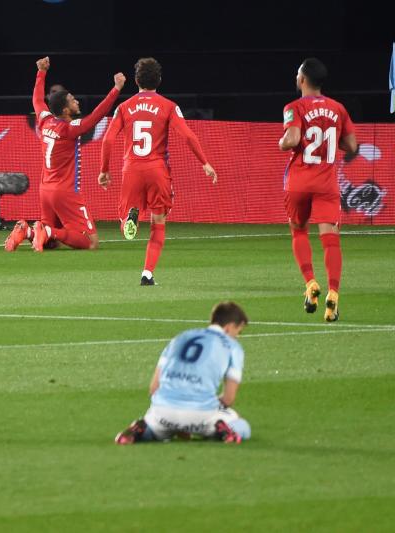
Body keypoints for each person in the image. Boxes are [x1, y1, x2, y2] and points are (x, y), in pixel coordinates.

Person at [99, 57, 217, 285]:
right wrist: (205, 162)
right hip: (157, 170)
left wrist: (104, 170)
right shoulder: (169, 106)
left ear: (136, 80)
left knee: (125, 223)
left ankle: (130, 219)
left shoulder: (124, 107)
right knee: (158, 221)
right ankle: (147, 273)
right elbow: (188, 136)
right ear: (159, 80)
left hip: (131, 169)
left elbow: (107, 140)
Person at [4, 56, 125, 252]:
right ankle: (48, 231)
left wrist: (41, 72)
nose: (76, 100)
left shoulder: (44, 121)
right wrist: (116, 89)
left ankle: (27, 232)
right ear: (65, 109)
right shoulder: (69, 128)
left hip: (45, 190)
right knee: (91, 243)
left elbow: (36, 98)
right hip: (65, 192)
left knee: (51, 244)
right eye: (72, 99)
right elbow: (96, 116)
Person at [278, 58, 358, 322]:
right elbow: (353, 146)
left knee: (299, 231)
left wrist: (282, 142)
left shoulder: (293, 107)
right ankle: (333, 293)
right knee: (331, 238)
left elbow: (290, 140)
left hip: (299, 182)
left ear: (302, 80)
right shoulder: (339, 109)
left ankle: (311, 283)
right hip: (326, 182)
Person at [115, 301, 251, 445]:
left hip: (163, 413)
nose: (237, 337)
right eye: (238, 332)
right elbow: (229, 399)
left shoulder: (180, 337)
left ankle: (140, 428)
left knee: (154, 425)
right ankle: (220, 428)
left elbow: (154, 389)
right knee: (241, 425)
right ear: (229, 328)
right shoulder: (233, 347)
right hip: (200, 416)